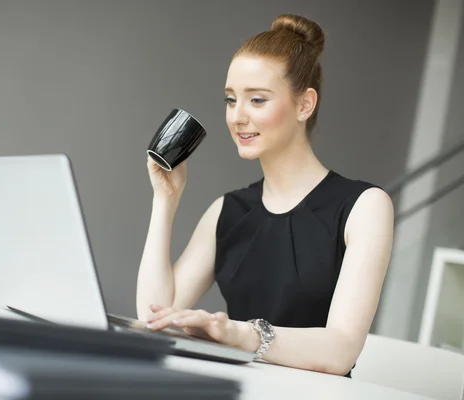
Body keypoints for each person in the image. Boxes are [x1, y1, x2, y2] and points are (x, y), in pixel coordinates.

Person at [135, 14, 394, 378]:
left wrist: (241, 333)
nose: (237, 116)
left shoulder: (364, 207)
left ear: (305, 104)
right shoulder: (227, 211)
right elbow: (154, 316)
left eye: (257, 100)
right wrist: (165, 200)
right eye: (230, 99)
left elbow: (340, 351)